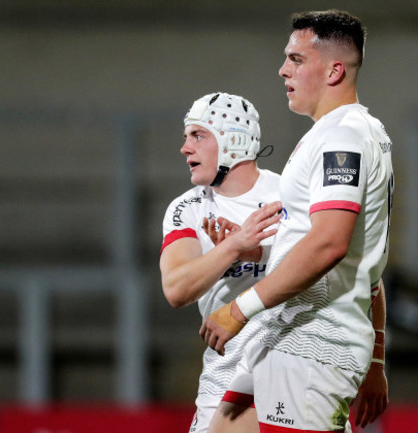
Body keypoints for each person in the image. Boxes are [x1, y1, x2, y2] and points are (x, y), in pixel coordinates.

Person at [201, 9, 394, 433]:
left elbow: (330, 244)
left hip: (312, 347)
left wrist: (240, 308)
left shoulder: (342, 137)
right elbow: (365, 263)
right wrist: (264, 250)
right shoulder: (357, 131)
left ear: (334, 71)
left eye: (297, 59)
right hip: (288, 338)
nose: (282, 69)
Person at [160, 91, 388, 433]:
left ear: (232, 140)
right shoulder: (187, 208)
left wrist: (376, 363)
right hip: (222, 378)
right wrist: (234, 247)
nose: (185, 148)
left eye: (198, 135)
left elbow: (362, 274)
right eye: (186, 137)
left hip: (293, 366)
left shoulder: (291, 195)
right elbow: (176, 289)